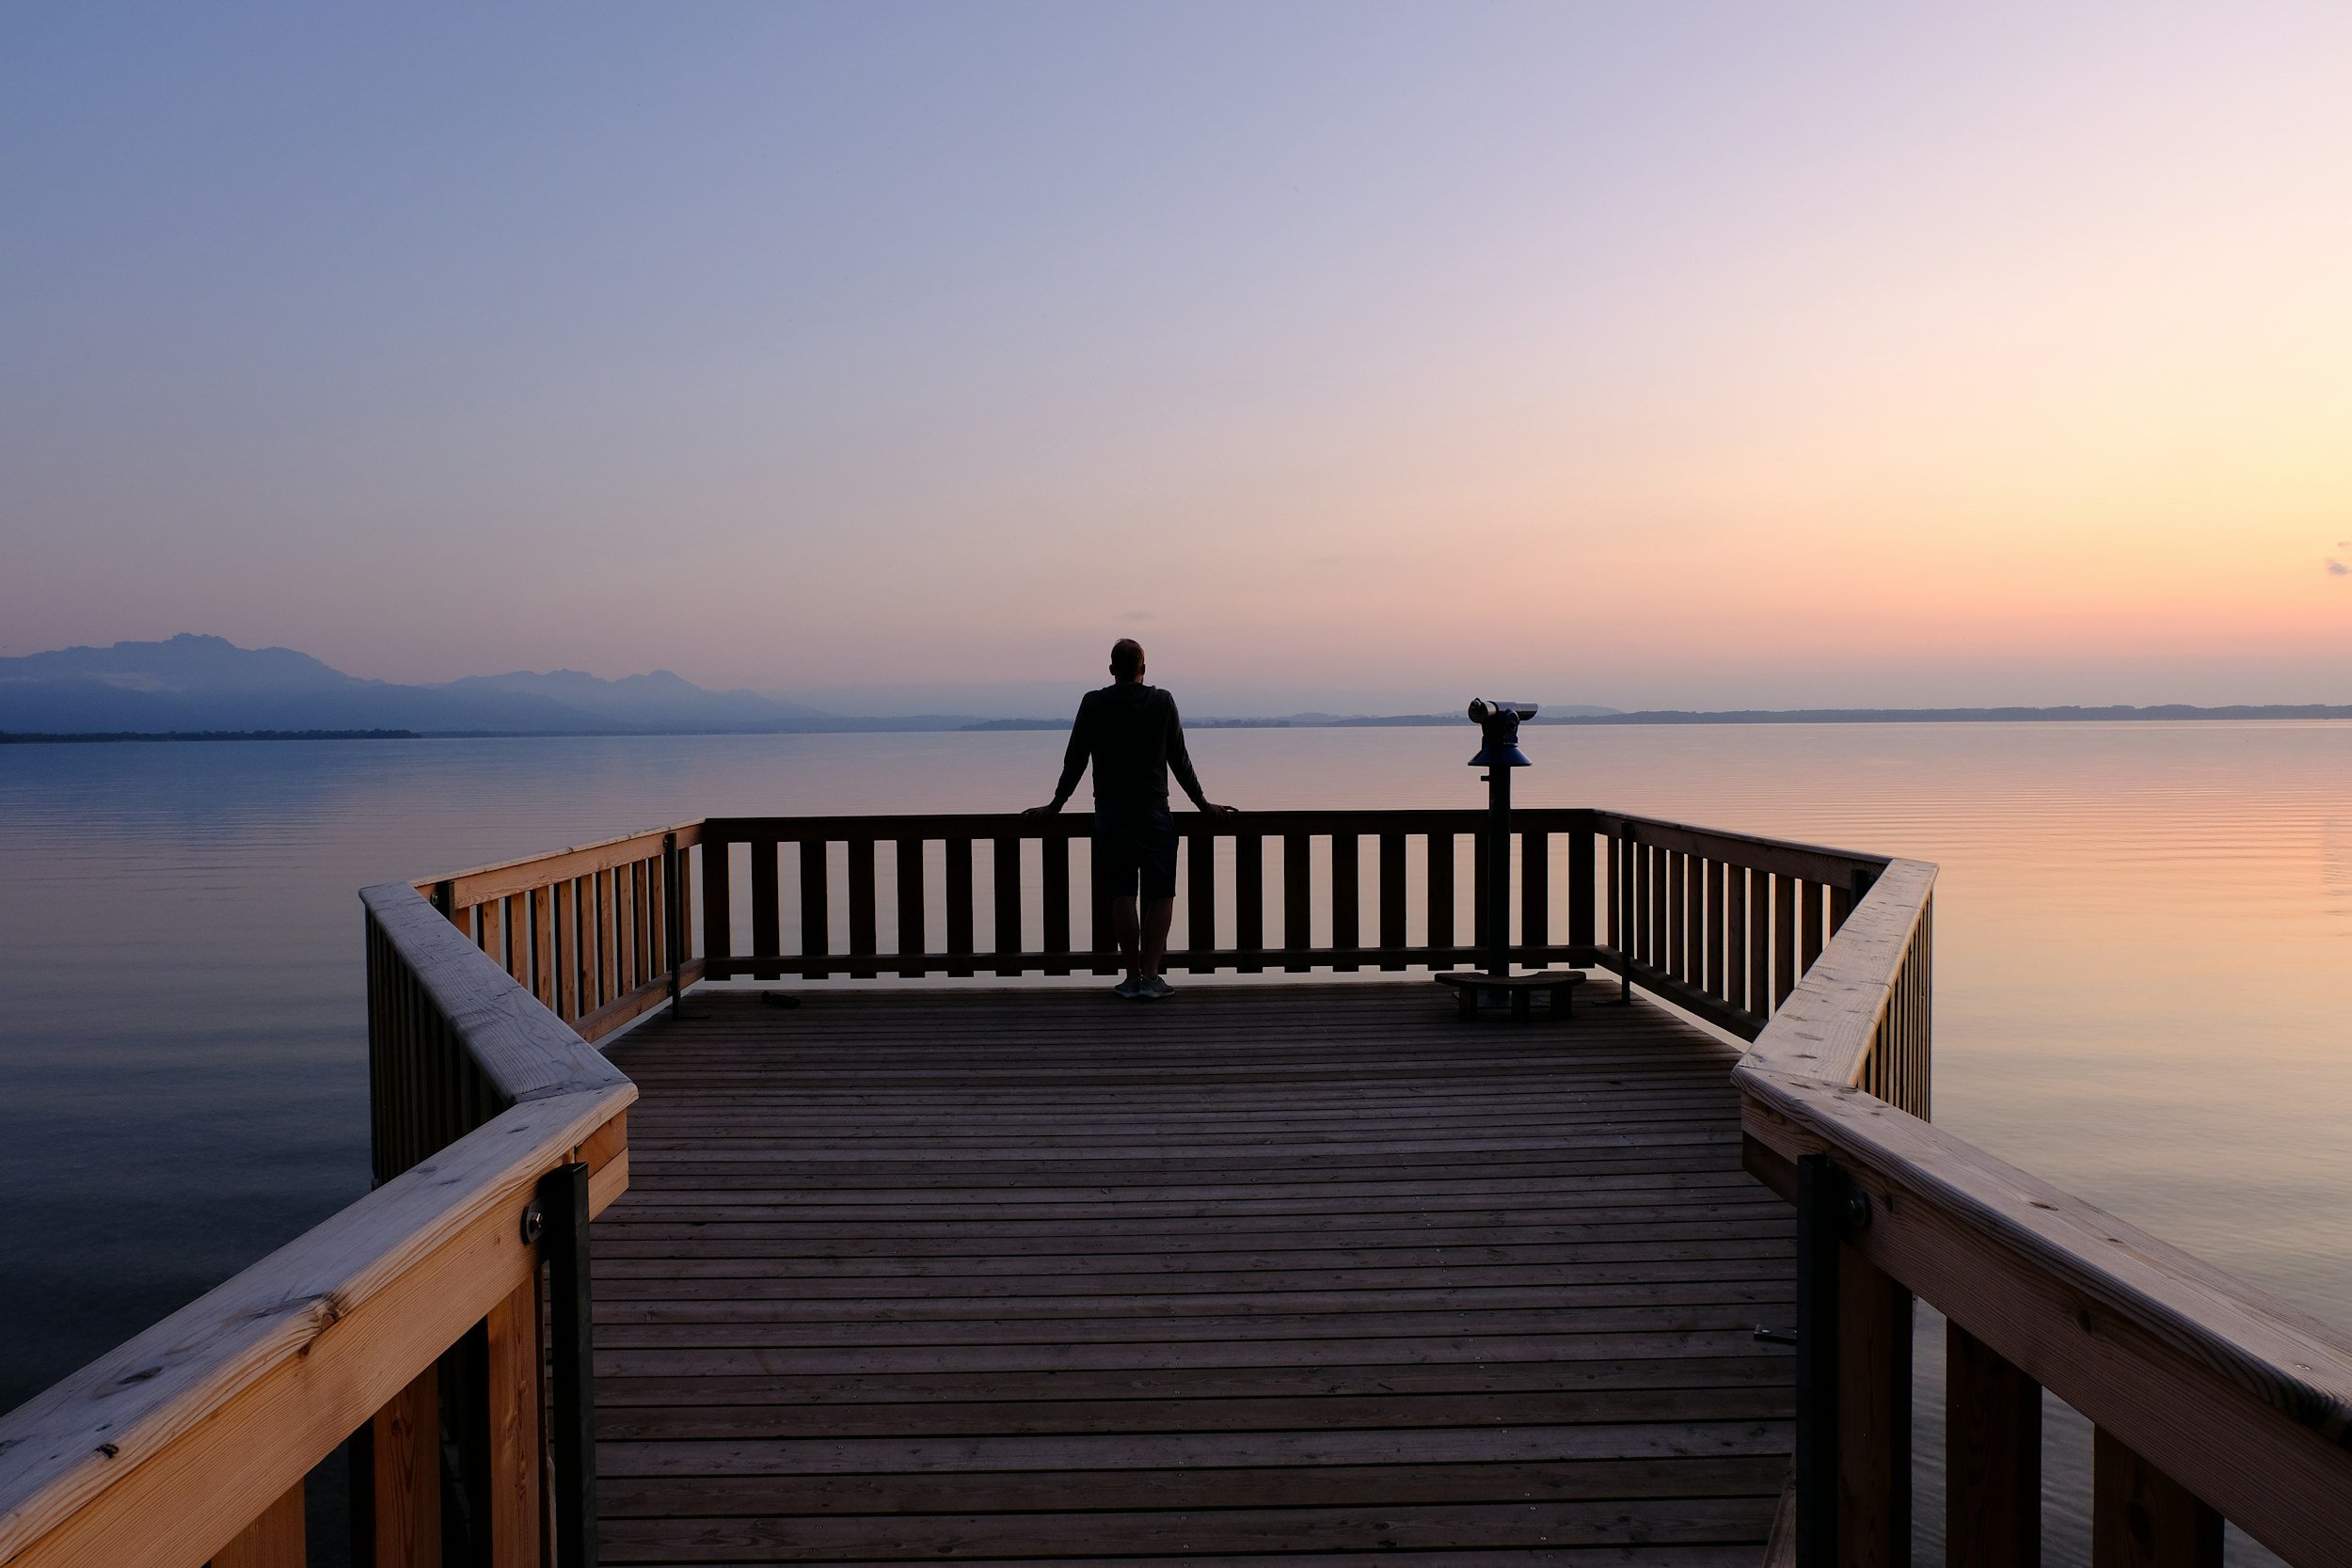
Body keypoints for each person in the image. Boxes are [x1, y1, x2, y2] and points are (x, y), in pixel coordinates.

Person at [1025, 639, 1236, 998]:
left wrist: (1055, 807)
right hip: (1154, 810)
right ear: (1144, 669)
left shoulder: (1093, 703)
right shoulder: (1162, 701)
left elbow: (1074, 760)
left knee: (1121, 893)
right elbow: (1179, 760)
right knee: (1161, 893)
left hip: (1111, 812)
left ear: (1111, 669)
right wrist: (1203, 805)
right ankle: (1152, 976)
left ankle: (1131, 976)